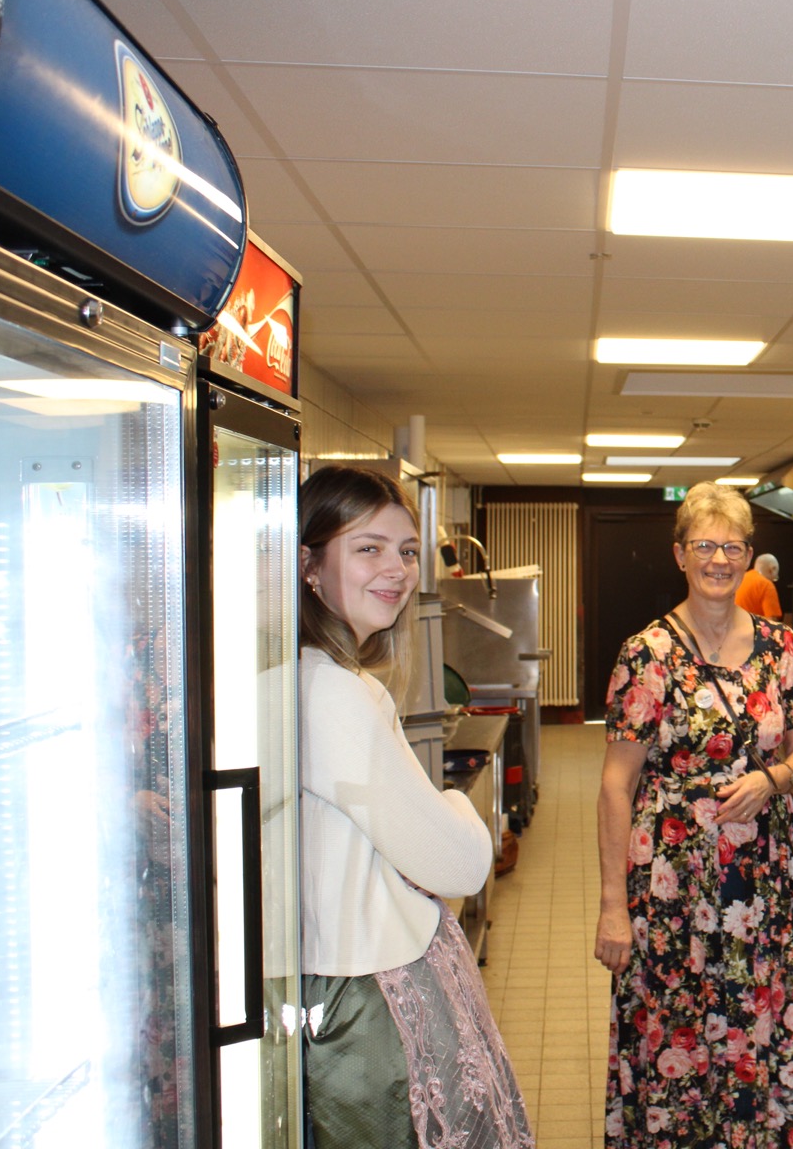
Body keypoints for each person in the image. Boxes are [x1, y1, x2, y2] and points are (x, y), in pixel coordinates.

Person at [297, 465, 532, 1148]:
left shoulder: (308, 676)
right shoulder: (334, 693)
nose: (396, 570)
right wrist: (454, 802)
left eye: (405, 551)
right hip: (365, 995)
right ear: (309, 566)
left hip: (339, 977)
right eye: (367, 548)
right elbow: (460, 863)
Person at [599, 483, 793, 1148]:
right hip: (671, 886)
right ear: (680, 554)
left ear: (749, 556)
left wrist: (773, 779)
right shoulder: (647, 653)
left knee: (756, 1025)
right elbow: (616, 784)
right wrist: (613, 905)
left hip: (760, 885)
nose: (719, 559)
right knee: (673, 1031)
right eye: (705, 545)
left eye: (733, 547)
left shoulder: (781, 648)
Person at [735, 551, 783, 620]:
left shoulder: (739, 579)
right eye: (775, 577)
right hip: (753, 626)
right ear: (772, 569)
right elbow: (771, 621)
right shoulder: (766, 585)